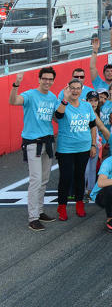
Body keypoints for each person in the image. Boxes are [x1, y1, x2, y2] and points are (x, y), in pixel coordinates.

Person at [9, 69, 59, 231]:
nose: (47, 82)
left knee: (44, 179)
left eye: (50, 79)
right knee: (36, 179)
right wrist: (16, 84)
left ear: (53, 81)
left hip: (48, 141)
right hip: (33, 143)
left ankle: (40, 211)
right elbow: (13, 101)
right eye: (44, 79)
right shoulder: (30, 95)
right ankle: (33, 218)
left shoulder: (52, 97)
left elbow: (54, 117)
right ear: (39, 79)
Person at [53, 78, 97, 221]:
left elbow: (93, 126)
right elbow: (58, 116)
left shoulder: (87, 106)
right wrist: (64, 100)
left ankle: (79, 204)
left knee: (80, 177)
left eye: (78, 88)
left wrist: (93, 144)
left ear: (82, 90)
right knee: (66, 177)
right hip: (66, 148)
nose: (75, 91)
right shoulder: (62, 104)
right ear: (68, 89)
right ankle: (62, 207)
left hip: (84, 148)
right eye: (73, 88)